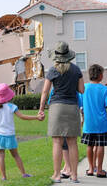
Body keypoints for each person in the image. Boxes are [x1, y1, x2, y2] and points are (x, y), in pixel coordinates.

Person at [39, 41, 84, 183]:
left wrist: (41, 109)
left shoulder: (52, 70)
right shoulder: (76, 70)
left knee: (57, 142)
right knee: (72, 143)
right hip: (72, 107)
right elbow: (82, 90)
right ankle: (74, 175)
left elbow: (45, 91)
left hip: (56, 107)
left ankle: (57, 175)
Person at [0, 83, 44, 180]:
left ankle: (3, 177)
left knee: (1, 155)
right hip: (9, 135)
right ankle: (24, 174)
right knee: (15, 155)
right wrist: (36, 117)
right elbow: (22, 117)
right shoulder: (12, 107)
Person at [81, 64, 107, 178]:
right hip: (101, 123)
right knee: (100, 146)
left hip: (88, 123)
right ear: (99, 75)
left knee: (89, 145)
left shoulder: (84, 88)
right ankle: (99, 170)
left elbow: (81, 103)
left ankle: (90, 168)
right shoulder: (104, 89)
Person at [48, 88, 83, 179]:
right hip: (72, 111)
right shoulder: (74, 90)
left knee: (61, 143)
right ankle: (72, 172)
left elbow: (50, 102)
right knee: (71, 142)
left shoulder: (55, 89)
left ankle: (67, 169)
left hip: (58, 112)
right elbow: (80, 103)